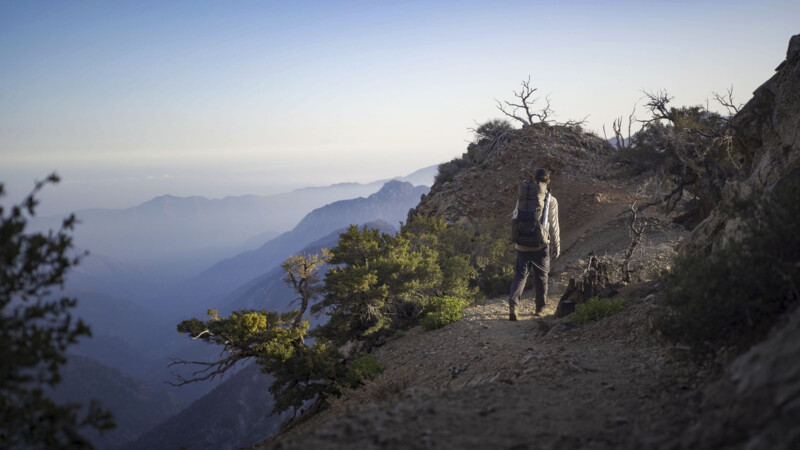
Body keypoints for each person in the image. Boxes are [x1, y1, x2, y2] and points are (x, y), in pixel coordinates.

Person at [509, 168, 560, 321]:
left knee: (520, 275)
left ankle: (513, 306)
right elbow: (553, 225)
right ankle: (540, 308)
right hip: (540, 244)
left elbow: (515, 216)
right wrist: (557, 245)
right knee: (541, 276)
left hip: (522, 244)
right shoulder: (551, 199)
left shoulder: (523, 197)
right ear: (548, 181)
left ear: (534, 180)